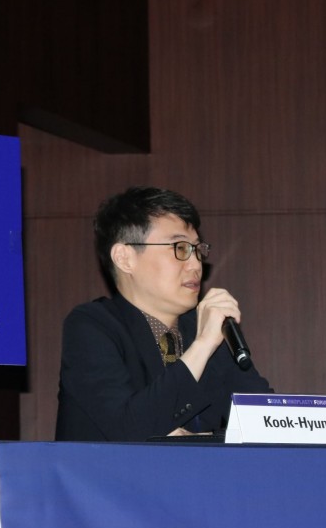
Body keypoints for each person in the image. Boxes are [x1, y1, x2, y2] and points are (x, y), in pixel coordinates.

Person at [55, 186, 271, 441]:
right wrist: (202, 346)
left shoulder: (207, 330)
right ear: (125, 258)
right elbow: (128, 429)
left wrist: (201, 441)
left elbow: (267, 422)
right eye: (180, 248)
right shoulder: (91, 327)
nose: (196, 264)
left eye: (197, 250)